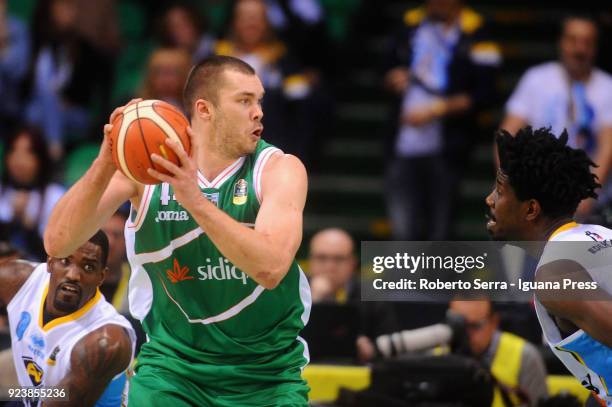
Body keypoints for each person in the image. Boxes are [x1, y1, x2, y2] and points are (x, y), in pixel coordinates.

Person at [44, 55, 310, 406]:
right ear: (205, 109)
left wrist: (195, 201)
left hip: (266, 375)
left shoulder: (279, 170)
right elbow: (58, 241)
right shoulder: (147, 169)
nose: (258, 111)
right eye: (244, 100)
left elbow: (271, 267)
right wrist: (106, 161)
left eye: (259, 100)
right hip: (172, 372)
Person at [486, 126, 612, 406]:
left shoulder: (555, 273)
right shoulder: (601, 234)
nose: (490, 199)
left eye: (499, 191)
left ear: (531, 209)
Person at [384, 0, 500, 240]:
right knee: (404, 230)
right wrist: (393, 77)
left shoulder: (476, 30)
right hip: (403, 142)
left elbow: (486, 93)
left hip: (447, 146)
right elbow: (385, 67)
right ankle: (406, 278)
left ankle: (437, 278)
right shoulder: (410, 23)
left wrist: (438, 109)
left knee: (440, 229)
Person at [0, 231, 135, 407]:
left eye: (88, 267)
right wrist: (9, 393)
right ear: (50, 261)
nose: (73, 275)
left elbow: (61, 398)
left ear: (101, 277)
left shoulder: (104, 340)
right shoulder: (16, 280)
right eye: (65, 261)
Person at [501, 15, 612, 219]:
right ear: (561, 42)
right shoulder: (536, 80)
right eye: (572, 40)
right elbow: (507, 134)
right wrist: (511, 187)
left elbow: (608, 145)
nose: (580, 49)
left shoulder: (607, 87)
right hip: (537, 204)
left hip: (590, 206)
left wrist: (589, 196)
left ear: (596, 47)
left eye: (587, 42)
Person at [308, 228, 398, 363]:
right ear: (310, 261)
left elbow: (392, 344)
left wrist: (372, 349)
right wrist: (312, 300)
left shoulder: (373, 296)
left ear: (352, 263)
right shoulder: (294, 293)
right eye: (322, 258)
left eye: (339, 259)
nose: (330, 266)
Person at [449, 299, 548, 407]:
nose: (465, 334)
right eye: (457, 327)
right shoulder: (438, 355)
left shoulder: (524, 356)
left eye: (475, 326)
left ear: (494, 322)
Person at [0, 127, 65, 261]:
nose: (19, 159)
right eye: (14, 151)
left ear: (40, 158)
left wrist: (28, 226)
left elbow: (59, 255)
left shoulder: (54, 195)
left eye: (28, 152)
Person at [139, 47, 192, 113]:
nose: (166, 79)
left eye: (172, 72)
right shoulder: (141, 108)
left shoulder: (193, 108)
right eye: (159, 72)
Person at [100, 209, 130, 314]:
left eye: (117, 235)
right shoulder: (77, 278)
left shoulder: (139, 282)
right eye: (104, 233)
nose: (110, 242)